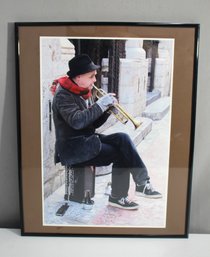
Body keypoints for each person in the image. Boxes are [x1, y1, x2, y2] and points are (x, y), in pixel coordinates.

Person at [52, 54, 161, 210]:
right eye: (91, 76)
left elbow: (92, 124)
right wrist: (100, 105)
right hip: (73, 148)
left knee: (122, 139)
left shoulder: (81, 90)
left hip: (86, 140)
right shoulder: (63, 95)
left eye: (95, 76)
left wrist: (107, 110)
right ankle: (118, 197)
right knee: (121, 152)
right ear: (78, 77)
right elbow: (77, 122)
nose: (95, 80)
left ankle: (142, 182)